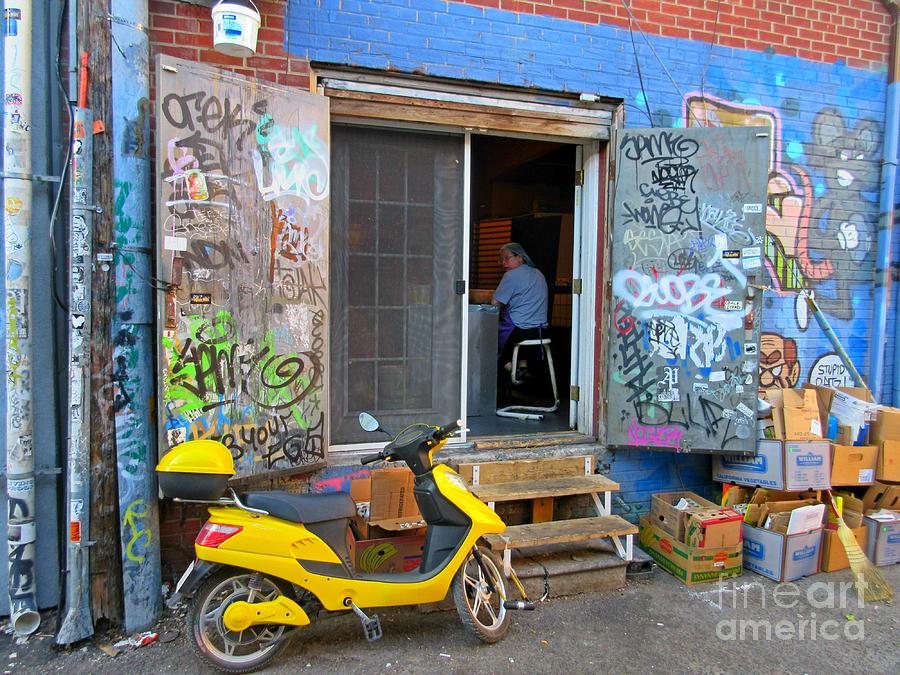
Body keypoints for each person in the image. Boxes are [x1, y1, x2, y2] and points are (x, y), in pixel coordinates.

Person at [492, 242, 549, 381]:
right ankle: (523, 366)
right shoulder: (538, 273)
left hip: (519, 331)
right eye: (502, 259)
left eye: (507, 258)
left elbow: (495, 304)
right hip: (540, 332)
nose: (503, 263)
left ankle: (511, 367)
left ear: (520, 258)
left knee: (487, 340)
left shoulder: (511, 276)